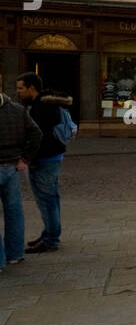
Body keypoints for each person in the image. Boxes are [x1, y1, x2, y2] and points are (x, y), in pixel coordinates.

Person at [15, 73, 71, 253]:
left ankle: (50, 239)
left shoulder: (41, 107)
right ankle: (49, 233)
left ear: (32, 88)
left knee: (47, 200)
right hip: (52, 157)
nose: (18, 92)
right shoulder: (46, 104)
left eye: (20, 88)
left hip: (45, 159)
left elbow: (39, 138)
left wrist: (28, 158)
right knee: (51, 199)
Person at [0, 87, 42, 270]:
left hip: (8, 164)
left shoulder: (18, 109)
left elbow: (36, 134)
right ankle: (15, 254)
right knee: (14, 211)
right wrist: (25, 159)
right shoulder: (17, 109)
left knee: (14, 210)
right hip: (12, 166)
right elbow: (36, 133)